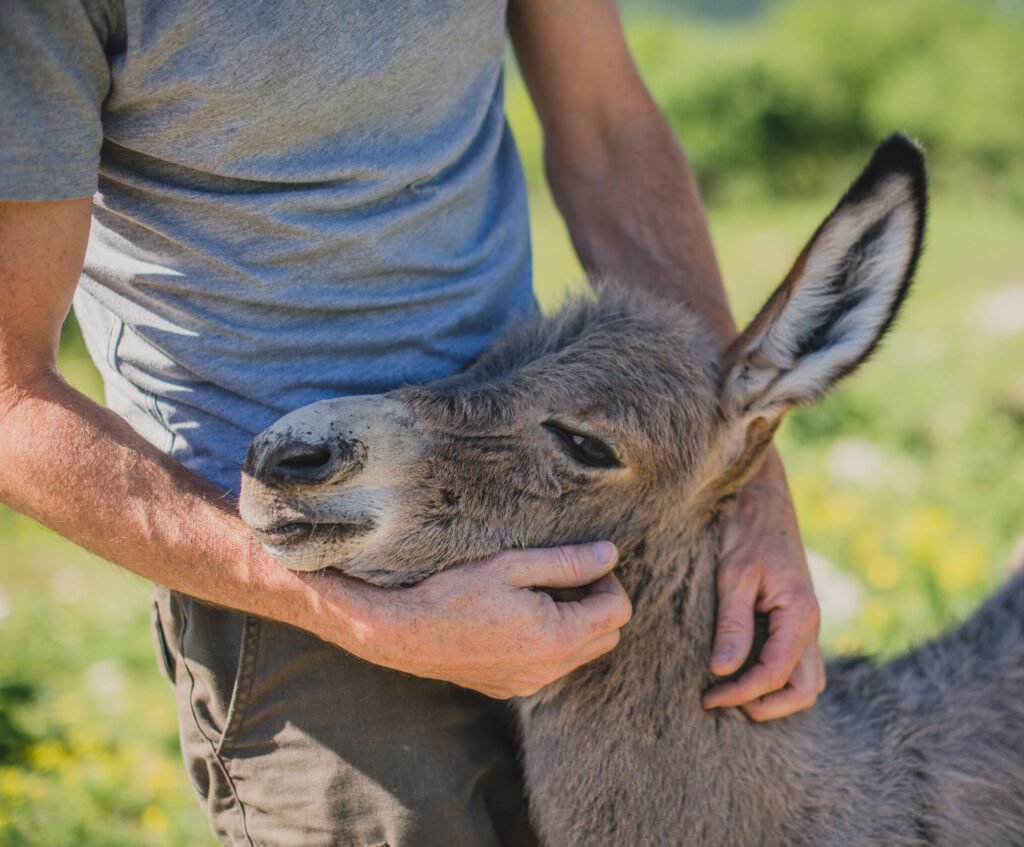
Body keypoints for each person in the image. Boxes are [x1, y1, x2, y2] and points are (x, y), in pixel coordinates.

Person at [0, 1, 824, 844]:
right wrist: (348, 614)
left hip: (551, 483)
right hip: (295, 556)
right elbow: (7, 393)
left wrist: (744, 471)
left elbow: (607, 125)